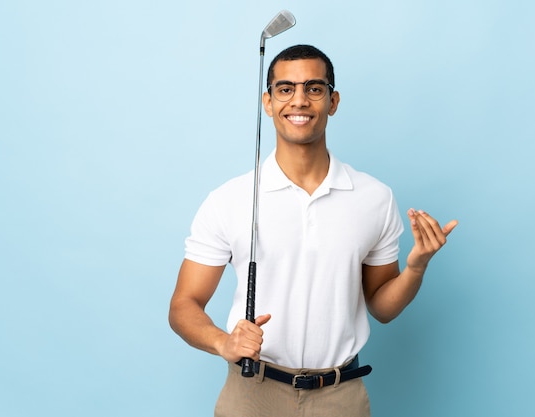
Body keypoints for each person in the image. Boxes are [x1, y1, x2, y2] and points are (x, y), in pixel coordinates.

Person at [169, 44, 458, 417]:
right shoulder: (230, 199)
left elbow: (383, 307)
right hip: (252, 393)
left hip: (340, 395)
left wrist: (416, 267)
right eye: (285, 89)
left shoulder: (374, 197)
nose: (299, 101)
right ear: (268, 102)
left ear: (333, 101)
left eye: (314, 89)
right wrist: (224, 343)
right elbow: (183, 305)